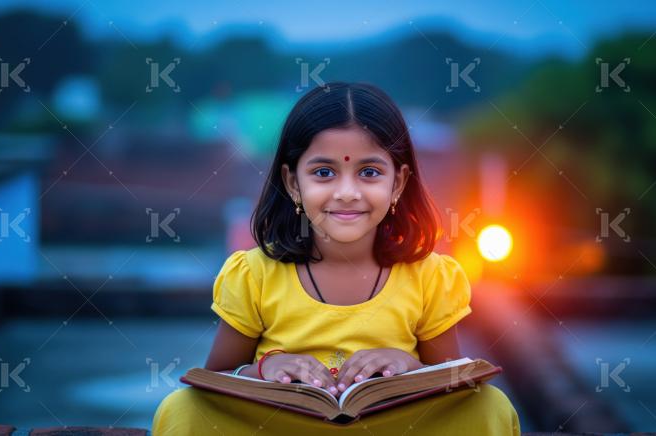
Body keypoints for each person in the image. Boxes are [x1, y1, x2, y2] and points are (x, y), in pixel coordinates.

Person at [152, 82, 521, 435]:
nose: (347, 192)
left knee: (490, 406)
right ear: (294, 182)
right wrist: (264, 369)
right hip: (282, 428)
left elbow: (450, 384)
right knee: (181, 408)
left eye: (369, 172)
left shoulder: (430, 276)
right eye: (324, 172)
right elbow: (217, 382)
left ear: (398, 183)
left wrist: (409, 367)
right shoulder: (254, 274)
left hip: (390, 429)